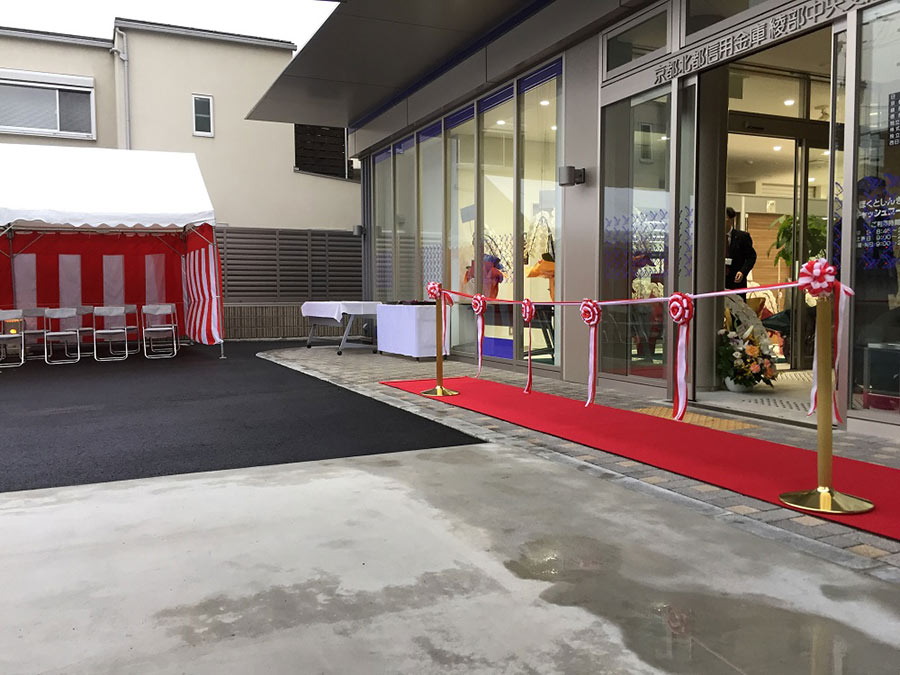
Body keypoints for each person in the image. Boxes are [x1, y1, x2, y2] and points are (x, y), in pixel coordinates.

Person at [724, 206, 756, 291]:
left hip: (736, 283)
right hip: (719, 282)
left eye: (725, 217)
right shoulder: (715, 238)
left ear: (731, 220)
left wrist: (743, 271)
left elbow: (751, 257)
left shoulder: (742, 237)